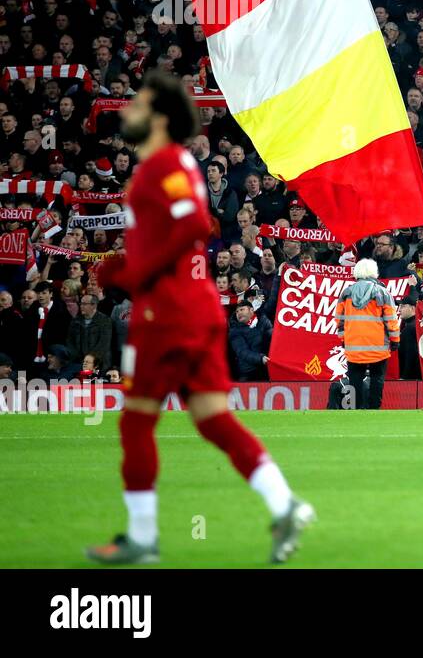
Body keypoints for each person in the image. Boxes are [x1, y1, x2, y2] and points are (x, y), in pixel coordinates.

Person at [87, 71, 314, 566]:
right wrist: (127, 265)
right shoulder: (169, 166)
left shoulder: (165, 165)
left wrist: (136, 269)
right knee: (213, 420)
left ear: (161, 118)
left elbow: (194, 221)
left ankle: (143, 538)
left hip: (167, 315)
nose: (128, 110)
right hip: (193, 309)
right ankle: (285, 505)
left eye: (139, 103)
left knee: (136, 423)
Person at [334, 257, 400, 409]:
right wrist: (395, 339)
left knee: (355, 379)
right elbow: (391, 319)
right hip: (377, 345)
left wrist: (344, 339)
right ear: (374, 272)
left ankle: (356, 409)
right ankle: (374, 408)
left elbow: (339, 320)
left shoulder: (346, 293)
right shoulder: (382, 292)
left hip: (353, 344)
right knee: (377, 378)